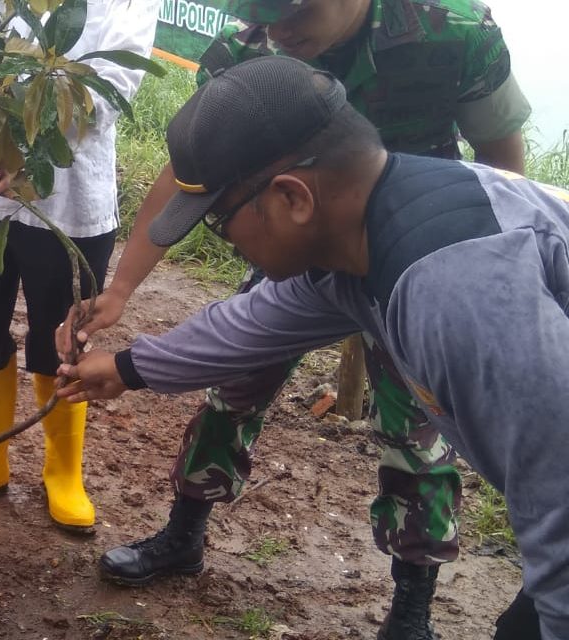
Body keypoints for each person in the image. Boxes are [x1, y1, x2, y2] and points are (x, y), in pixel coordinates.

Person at [57, 54, 568, 640]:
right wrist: (127, 367)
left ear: (293, 198)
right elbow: (252, 323)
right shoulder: (368, 233)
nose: (228, 246)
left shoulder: (458, 292)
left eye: (221, 223)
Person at [0, 0, 161, 533]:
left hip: (67, 199)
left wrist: (14, 140)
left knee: (61, 337)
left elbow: (111, 86)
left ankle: (63, 472)